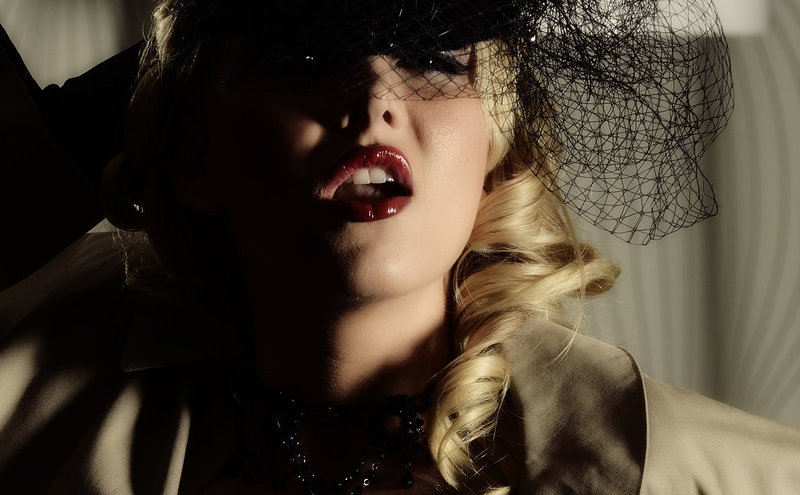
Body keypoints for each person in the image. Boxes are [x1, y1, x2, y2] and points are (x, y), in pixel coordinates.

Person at [0, 1, 798, 494]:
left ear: (493, 153)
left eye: (432, 57)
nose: (377, 100)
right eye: (306, 56)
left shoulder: (739, 476)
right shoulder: (42, 384)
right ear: (195, 158)